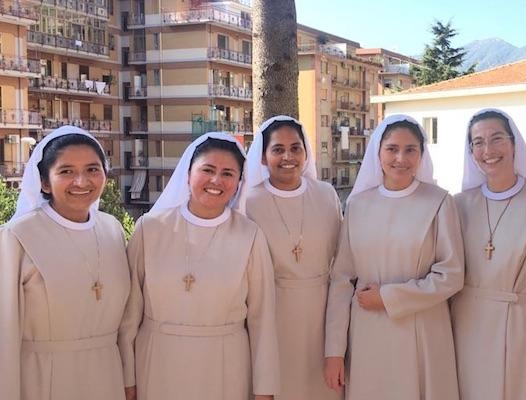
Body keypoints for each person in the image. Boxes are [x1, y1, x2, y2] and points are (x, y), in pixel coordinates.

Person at [119, 133, 279, 400]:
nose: (216, 180)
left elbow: (263, 319)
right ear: (188, 174)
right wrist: (127, 378)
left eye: (228, 173)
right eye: (207, 170)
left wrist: (264, 388)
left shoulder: (249, 235)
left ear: (239, 183)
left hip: (225, 366)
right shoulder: (150, 228)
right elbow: (129, 313)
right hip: (158, 363)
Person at [323, 115, 464, 400]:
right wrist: (334, 351)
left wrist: (388, 298)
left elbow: (451, 275)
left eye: (410, 149)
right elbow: (341, 280)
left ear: (422, 154)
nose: (401, 158)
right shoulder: (359, 204)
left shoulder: (439, 202)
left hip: (421, 330)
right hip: (368, 335)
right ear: (378, 152)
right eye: (392, 149)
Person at [0, 126, 130, 400]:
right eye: (66, 171)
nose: (81, 181)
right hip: (42, 379)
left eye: (93, 169)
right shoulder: (17, 236)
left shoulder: (112, 229)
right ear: (45, 182)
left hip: (106, 376)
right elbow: (4, 333)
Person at [451, 108, 526, 400]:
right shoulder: (458, 205)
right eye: (478, 142)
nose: (487, 150)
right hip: (462, 335)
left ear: (514, 144)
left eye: (496, 138)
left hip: (518, 338)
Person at [243, 116, 342, 400]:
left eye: (295, 148)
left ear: (305, 152)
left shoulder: (326, 195)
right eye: (278, 149)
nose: (288, 156)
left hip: (324, 315)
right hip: (271, 316)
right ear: (263, 157)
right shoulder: (249, 201)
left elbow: (342, 261)